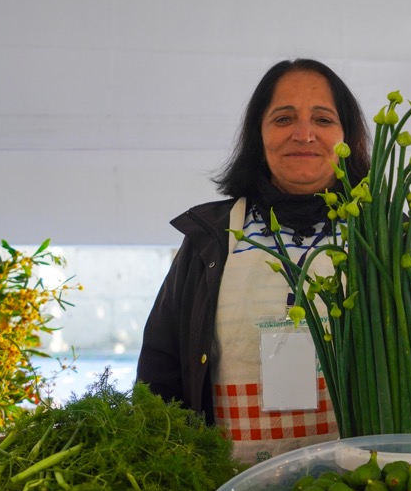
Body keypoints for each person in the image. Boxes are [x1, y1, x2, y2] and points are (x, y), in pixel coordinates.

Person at [137, 58, 371, 465]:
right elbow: (162, 368)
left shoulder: (384, 236)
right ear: (257, 137)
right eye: (283, 119)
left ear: (346, 137)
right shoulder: (210, 238)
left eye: (323, 118)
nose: (304, 134)